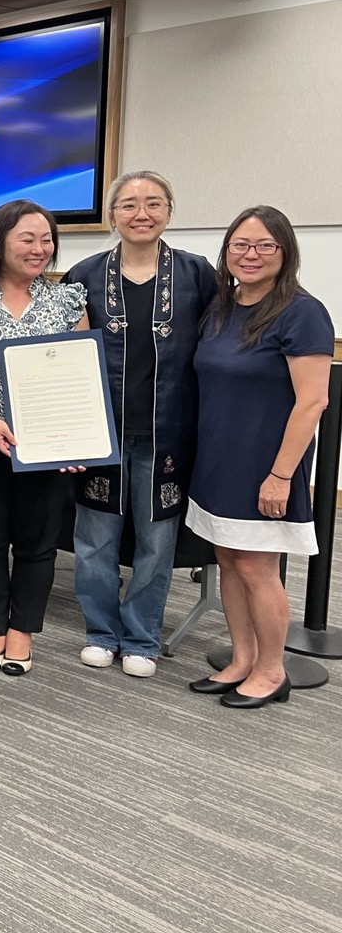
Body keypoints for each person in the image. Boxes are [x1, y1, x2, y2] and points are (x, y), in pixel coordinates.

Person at [62, 171, 215, 678]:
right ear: (112, 216)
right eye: (128, 204)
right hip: (101, 433)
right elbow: (60, 357)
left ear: (170, 212)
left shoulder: (197, 275)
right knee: (96, 539)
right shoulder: (83, 276)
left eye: (153, 203)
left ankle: (142, 638)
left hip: (167, 434)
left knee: (156, 543)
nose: (141, 213)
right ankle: (101, 633)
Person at [184, 206, 331, 708]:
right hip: (216, 458)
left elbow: (313, 401)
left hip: (265, 464)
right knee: (226, 560)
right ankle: (242, 660)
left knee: (256, 568)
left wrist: (280, 475)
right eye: (240, 245)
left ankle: (272, 671)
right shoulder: (222, 306)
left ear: (285, 252)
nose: (250, 255)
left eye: (264, 245)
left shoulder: (301, 312)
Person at [0, 199, 88, 676]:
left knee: (38, 541)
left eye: (46, 239)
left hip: (46, 447)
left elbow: (80, 374)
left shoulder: (69, 299)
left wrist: (75, 440)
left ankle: (22, 630)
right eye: (27, 238)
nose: (39, 248)